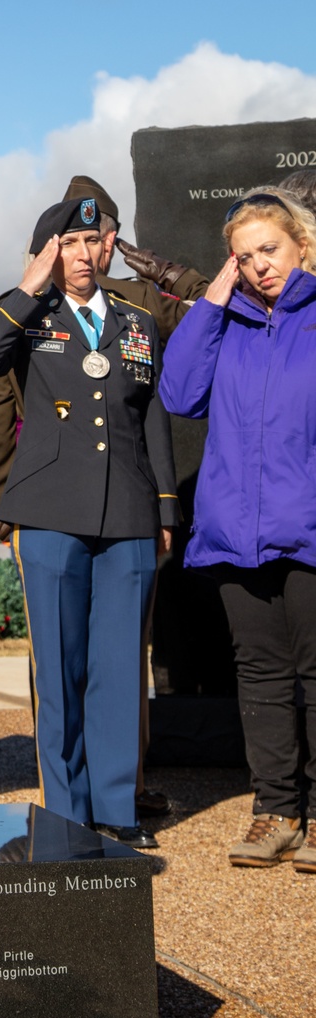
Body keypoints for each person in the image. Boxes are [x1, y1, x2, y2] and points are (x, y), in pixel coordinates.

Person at [0, 175, 208, 819]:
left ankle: (115, 808)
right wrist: (29, 283)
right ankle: (68, 812)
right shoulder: (30, 315)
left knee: (119, 668)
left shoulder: (136, 322)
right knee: (60, 669)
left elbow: (153, 416)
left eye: (91, 240)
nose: (82, 253)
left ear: (108, 246)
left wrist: (165, 505)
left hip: (130, 512)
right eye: (68, 242)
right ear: (52, 250)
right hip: (50, 511)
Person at [161, 187, 316, 872]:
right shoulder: (226, 325)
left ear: (301, 245)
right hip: (235, 531)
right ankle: (275, 810)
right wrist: (214, 298)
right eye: (243, 257)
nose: (259, 266)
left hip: (308, 529)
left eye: (269, 250)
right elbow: (179, 394)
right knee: (259, 673)